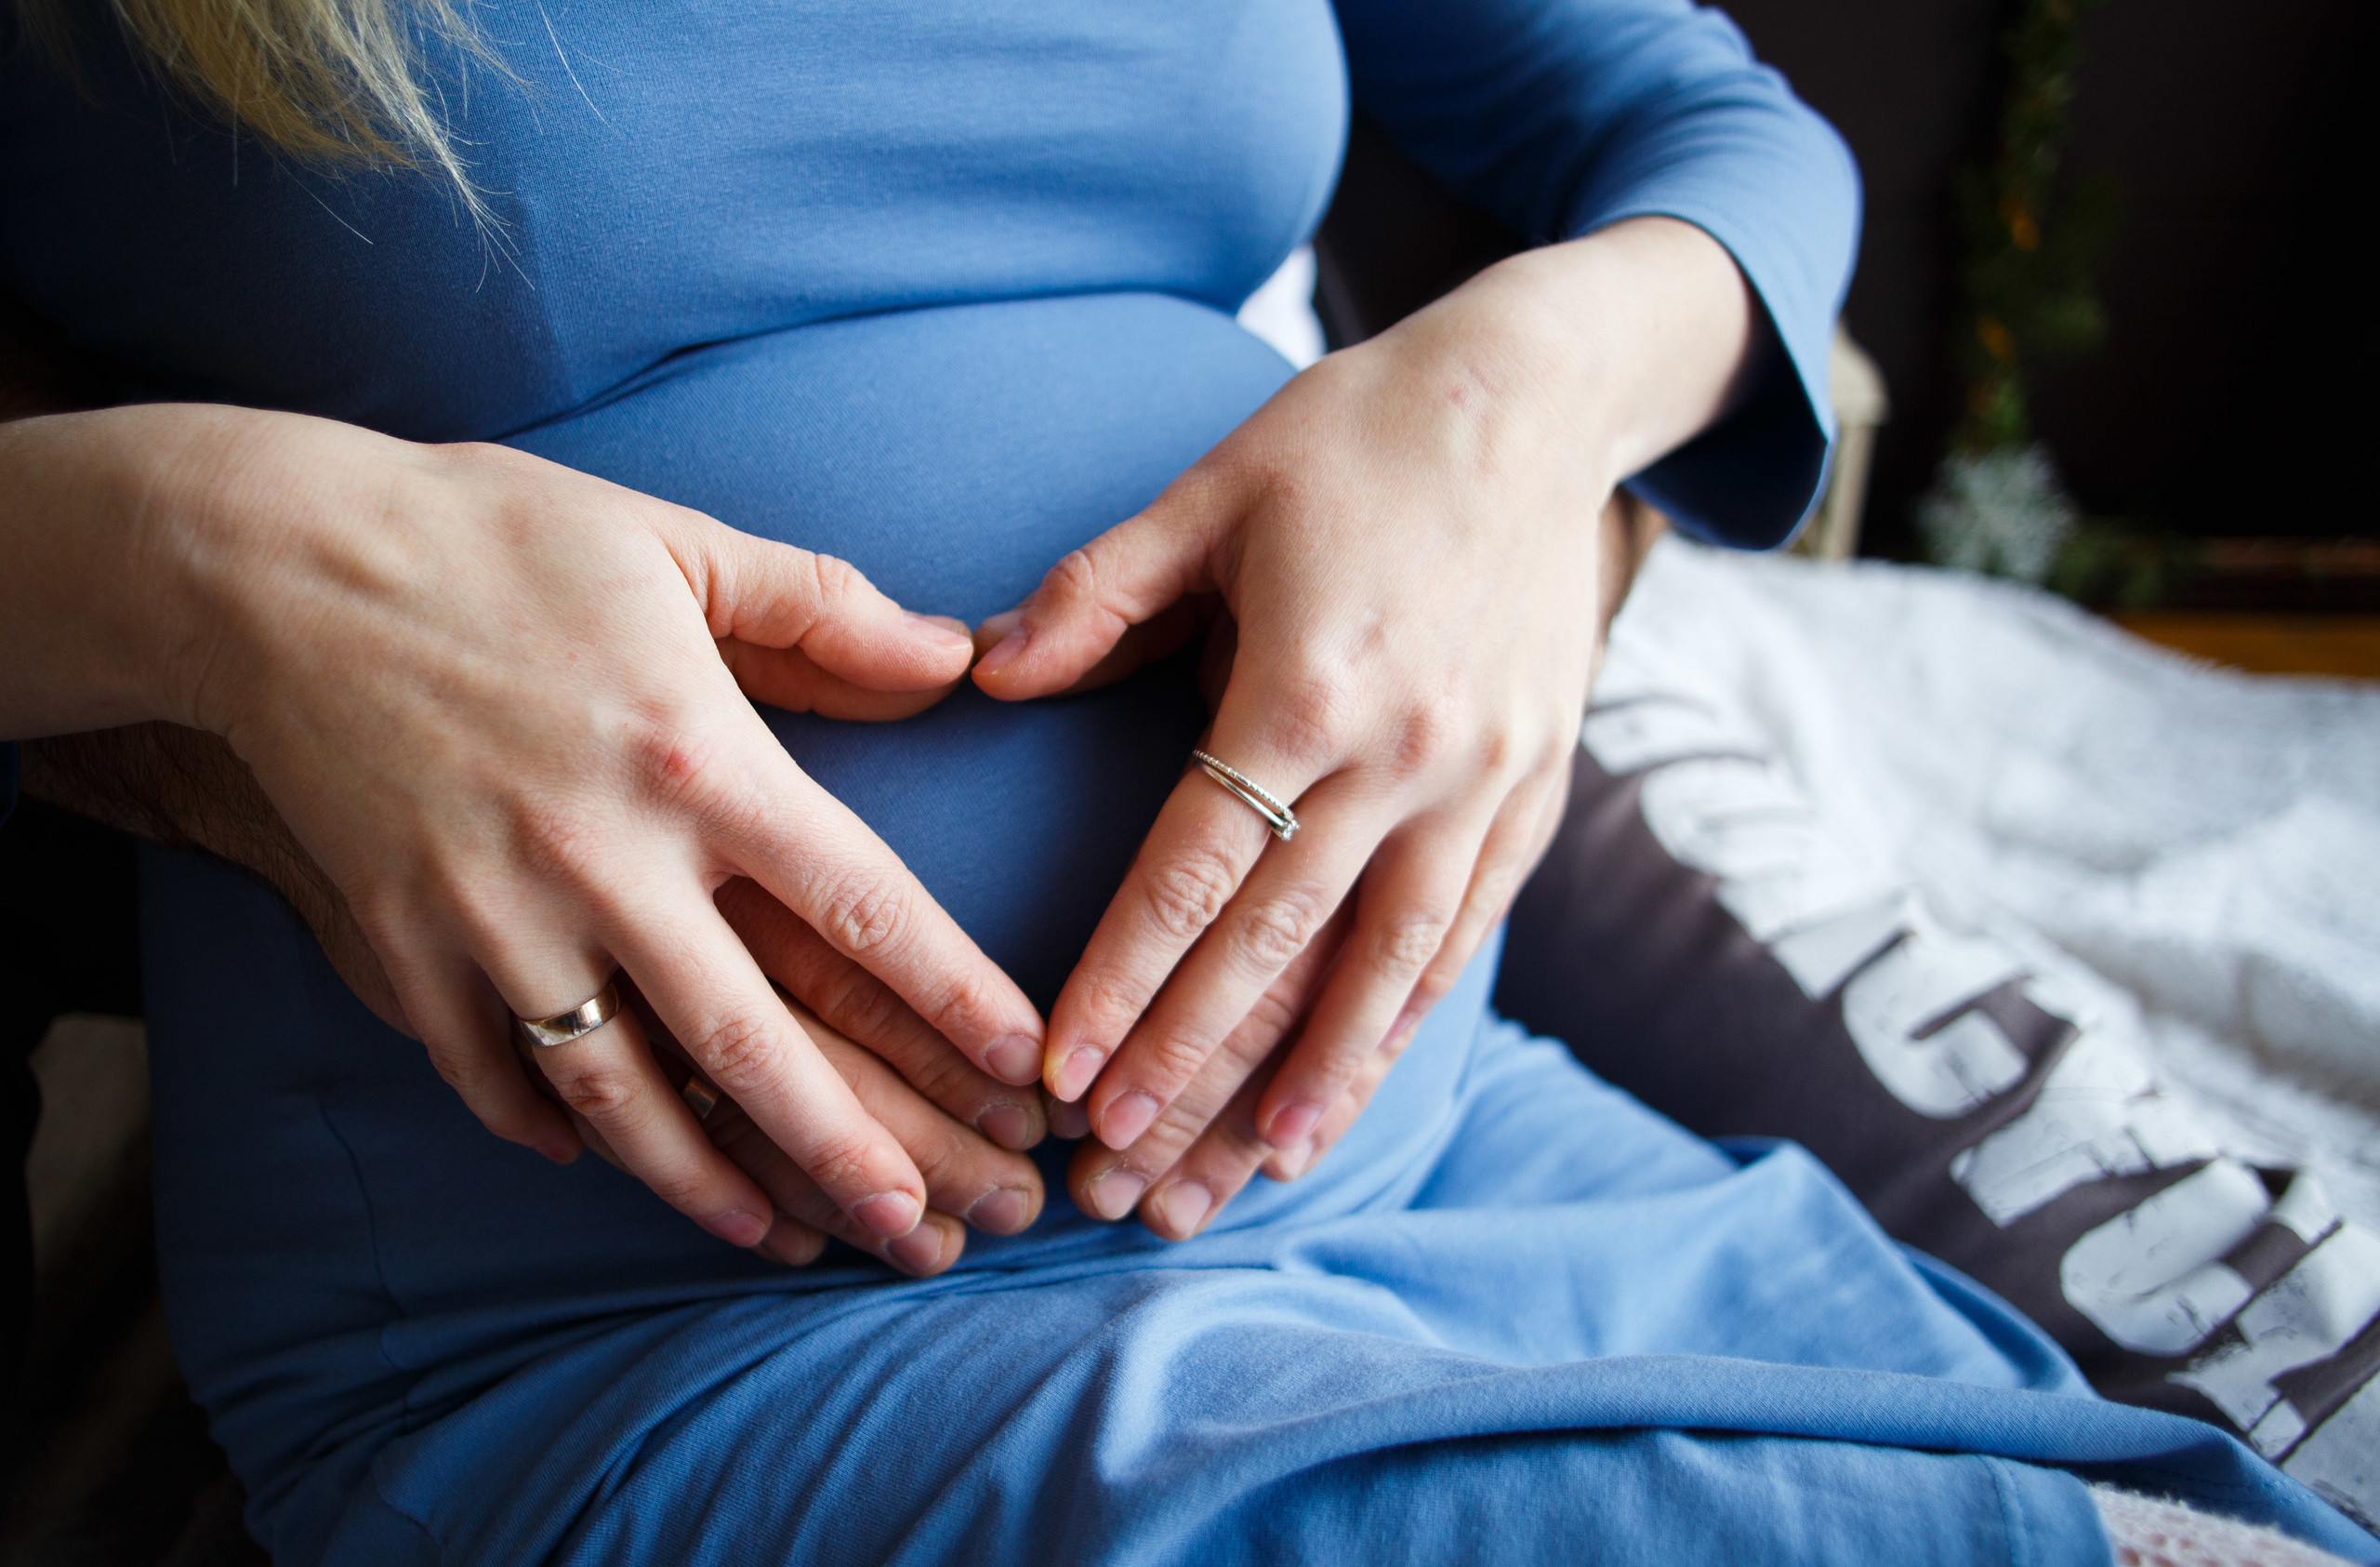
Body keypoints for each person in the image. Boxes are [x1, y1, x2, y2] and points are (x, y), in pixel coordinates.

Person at [0, 1, 2369, 1561]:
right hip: (668, 1329)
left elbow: (1704, 131)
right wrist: (216, 560)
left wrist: (1518, 409)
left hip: (1443, 1146)